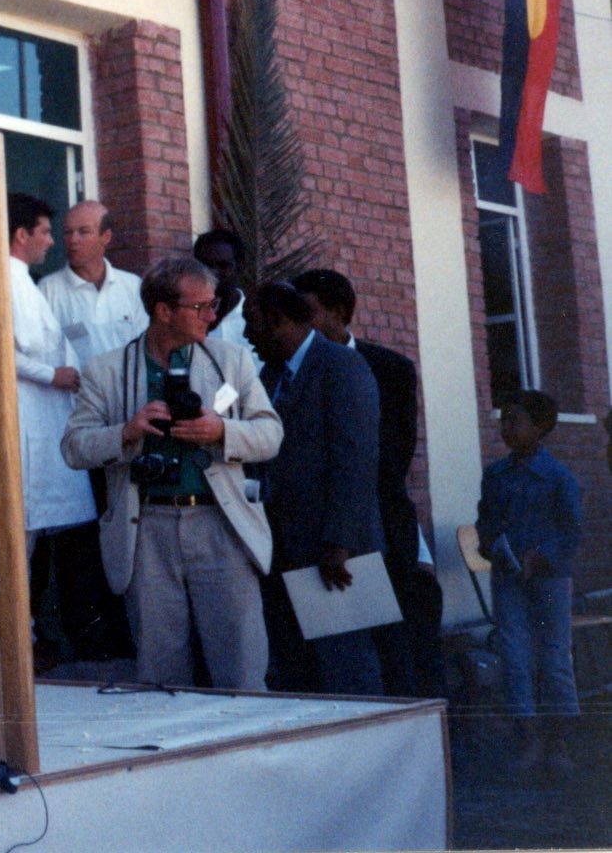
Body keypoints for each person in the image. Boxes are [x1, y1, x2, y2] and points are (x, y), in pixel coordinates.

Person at [62, 256, 283, 690]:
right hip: (146, 527)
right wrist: (126, 432)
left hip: (221, 525)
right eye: (200, 307)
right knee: (160, 670)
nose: (212, 316)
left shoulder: (231, 362)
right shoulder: (107, 370)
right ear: (164, 311)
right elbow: (73, 447)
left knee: (241, 663)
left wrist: (220, 430)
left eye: (212, 305)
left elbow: (271, 433)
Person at [292, 267, 444, 698]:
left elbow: (394, 455)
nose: (305, 323)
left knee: (397, 641)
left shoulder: (389, 368)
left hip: (379, 520)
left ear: (340, 312)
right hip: (321, 528)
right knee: (342, 648)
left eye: (311, 312)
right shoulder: (289, 371)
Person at [7, 192, 128, 666]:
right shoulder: (8, 278)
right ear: (22, 236)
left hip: (56, 422)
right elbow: (0, 344)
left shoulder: (22, 280)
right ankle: (24, 641)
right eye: (45, 231)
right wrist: (50, 374)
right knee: (22, 537)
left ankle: (32, 638)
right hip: (28, 422)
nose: (53, 242)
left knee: (37, 538)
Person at [252, 281, 384, 695]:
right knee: (300, 666)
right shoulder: (270, 374)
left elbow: (355, 460)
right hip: (286, 545)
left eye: (250, 324)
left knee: (347, 664)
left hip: (333, 550)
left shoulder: (341, 366)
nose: (245, 335)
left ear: (277, 322)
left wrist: (338, 542)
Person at [476, 390, 581, 774]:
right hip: (509, 580)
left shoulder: (558, 478)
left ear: (540, 428)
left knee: (554, 658)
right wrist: (489, 544)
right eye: (503, 419)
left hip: (549, 581)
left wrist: (542, 557)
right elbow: (484, 522)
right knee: (514, 657)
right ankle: (528, 737)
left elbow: (572, 532)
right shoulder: (495, 475)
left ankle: (558, 742)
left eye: (514, 420)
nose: (506, 427)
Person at [38, 200, 149, 369]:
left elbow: (145, 347)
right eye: (68, 232)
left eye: (84, 232)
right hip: (76, 394)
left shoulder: (132, 286)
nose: (73, 240)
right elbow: (42, 356)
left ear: (106, 237)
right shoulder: (48, 290)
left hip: (127, 392)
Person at [193, 228, 259, 366]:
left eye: (223, 266)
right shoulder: (185, 319)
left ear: (240, 267)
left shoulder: (257, 321)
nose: (213, 273)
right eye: (206, 265)